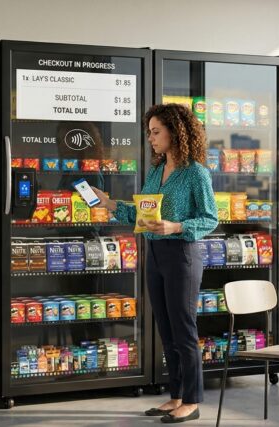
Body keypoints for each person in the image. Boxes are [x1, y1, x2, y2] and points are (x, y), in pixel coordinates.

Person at [92, 103, 218, 424]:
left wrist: (176, 227)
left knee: (184, 329)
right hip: (155, 254)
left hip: (182, 255)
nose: (151, 138)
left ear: (176, 132)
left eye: (156, 131)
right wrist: (107, 203)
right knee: (166, 328)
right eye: (149, 132)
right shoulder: (155, 171)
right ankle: (175, 395)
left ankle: (192, 400)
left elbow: (210, 219)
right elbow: (142, 213)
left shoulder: (196, 173)